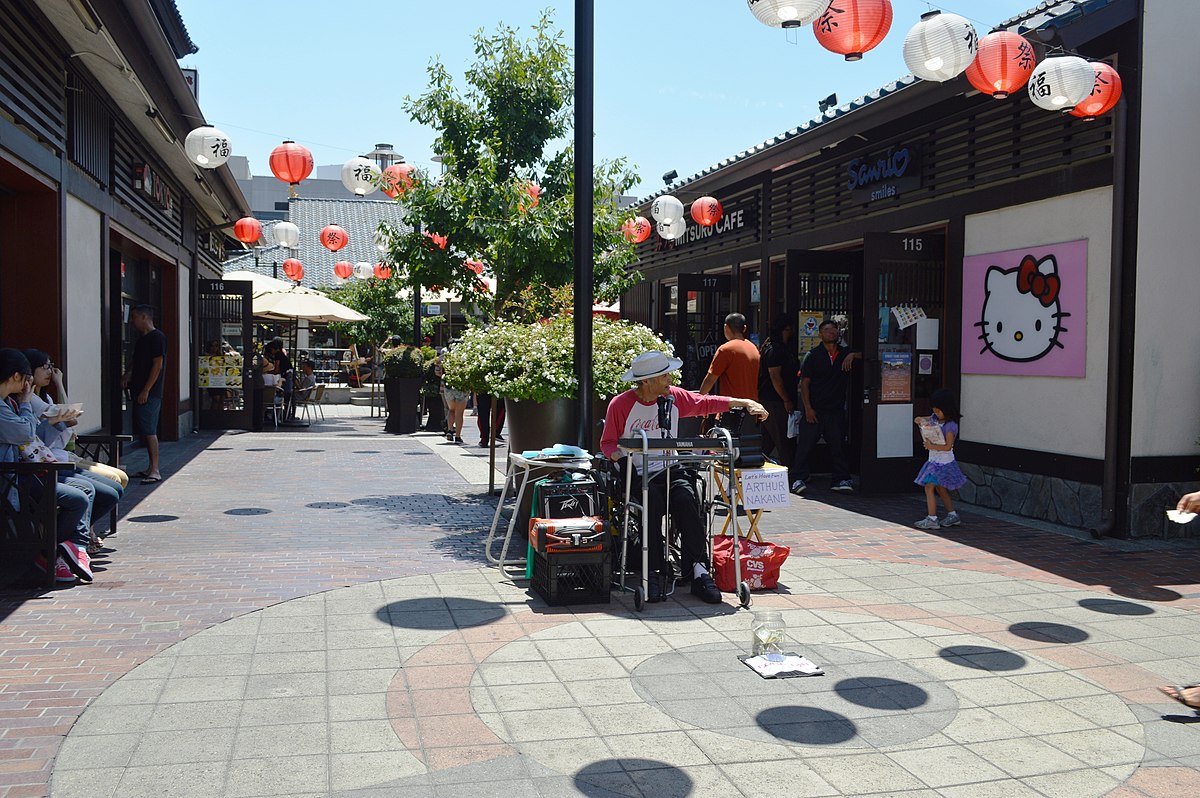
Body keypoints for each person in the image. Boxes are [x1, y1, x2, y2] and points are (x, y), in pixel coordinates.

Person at [601, 351, 769, 604]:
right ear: (646, 381)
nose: (670, 378)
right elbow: (607, 444)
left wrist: (743, 402)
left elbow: (707, 402)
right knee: (652, 504)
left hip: (670, 467)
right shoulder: (621, 404)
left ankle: (699, 572)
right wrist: (621, 457)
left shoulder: (673, 397)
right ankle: (654, 572)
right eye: (664, 375)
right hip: (637, 471)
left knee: (688, 500)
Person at [0, 348, 94, 584]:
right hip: (14, 479)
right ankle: (52, 552)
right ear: (15, 377)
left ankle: (68, 549)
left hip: (30, 470)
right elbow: (24, 433)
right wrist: (24, 404)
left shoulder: (10, 401)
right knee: (79, 498)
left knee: (89, 490)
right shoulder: (11, 403)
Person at [791, 320, 860, 495]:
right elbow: (804, 383)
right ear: (820, 334)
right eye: (827, 330)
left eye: (834, 330)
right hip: (814, 409)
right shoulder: (812, 355)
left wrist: (852, 356)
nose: (831, 333)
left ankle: (841, 478)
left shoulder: (845, 352)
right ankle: (797, 478)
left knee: (837, 446)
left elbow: (867, 354)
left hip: (835, 409)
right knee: (805, 446)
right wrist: (807, 408)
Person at [122, 305, 166, 484]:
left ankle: (155, 469)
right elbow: (135, 360)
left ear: (144, 317)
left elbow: (158, 365)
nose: (132, 321)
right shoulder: (142, 340)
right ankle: (150, 467)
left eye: (134, 317)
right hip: (138, 388)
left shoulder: (157, 337)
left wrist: (146, 390)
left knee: (149, 429)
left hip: (150, 392)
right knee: (145, 428)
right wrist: (127, 373)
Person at [913, 389, 965, 530]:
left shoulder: (950, 426)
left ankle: (932, 518)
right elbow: (921, 419)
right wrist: (920, 420)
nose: (935, 414)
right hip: (934, 460)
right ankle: (952, 515)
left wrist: (931, 445)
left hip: (943, 463)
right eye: (934, 411)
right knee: (941, 489)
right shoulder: (935, 419)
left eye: (938, 411)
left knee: (929, 487)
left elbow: (948, 446)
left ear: (947, 409)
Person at [757, 319, 798, 467]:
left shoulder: (775, 348)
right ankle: (790, 471)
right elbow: (775, 378)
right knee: (783, 438)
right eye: (787, 330)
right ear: (781, 331)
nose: (791, 333)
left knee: (768, 439)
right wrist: (786, 399)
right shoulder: (775, 350)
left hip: (771, 399)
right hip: (774, 400)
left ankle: (755, 464)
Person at [699, 313, 760, 402]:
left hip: (732, 407)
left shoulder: (725, 349)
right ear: (744, 328)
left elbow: (710, 379)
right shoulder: (754, 348)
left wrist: (699, 399)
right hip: (752, 406)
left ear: (726, 327)